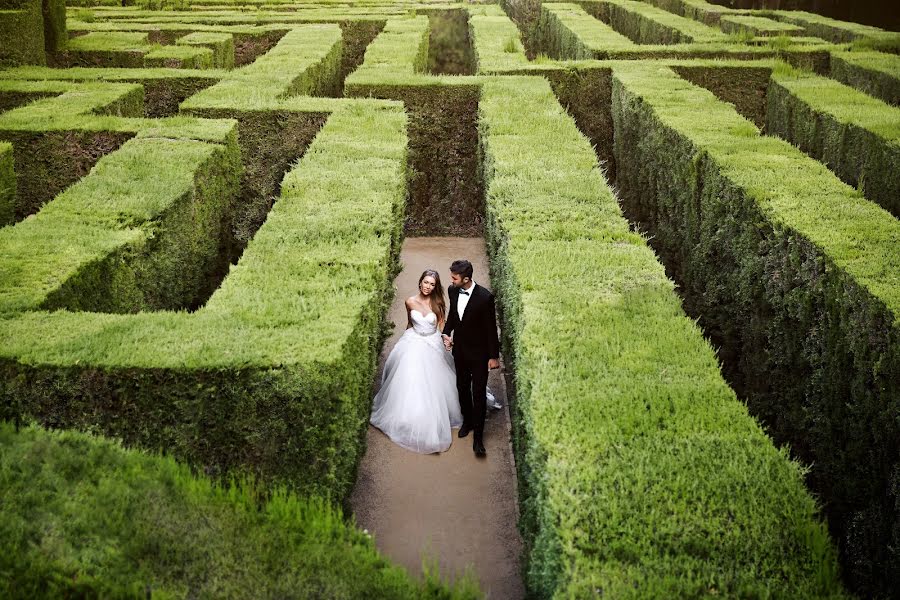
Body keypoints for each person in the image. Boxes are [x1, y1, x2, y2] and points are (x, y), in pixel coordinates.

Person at [370, 269, 463, 454]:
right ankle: (408, 417)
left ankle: (431, 419)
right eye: (426, 282)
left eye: (432, 284)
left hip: (431, 341)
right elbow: (410, 324)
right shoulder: (409, 301)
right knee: (409, 378)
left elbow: (442, 326)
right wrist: (404, 341)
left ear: (435, 287)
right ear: (420, 282)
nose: (428, 286)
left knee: (435, 382)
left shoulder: (438, 302)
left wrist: (446, 339)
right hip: (413, 340)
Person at [442, 259, 500, 458]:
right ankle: (467, 422)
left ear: (466, 279)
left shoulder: (485, 297)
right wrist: (446, 332)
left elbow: (491, 329)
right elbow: (453, 315)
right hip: (460, 352)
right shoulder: (452, 291)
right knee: (462, 387)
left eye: (454, 278)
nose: (451, 280)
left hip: (480, 354)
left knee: (478, 392)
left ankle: (479, 438)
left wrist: (493, 356)